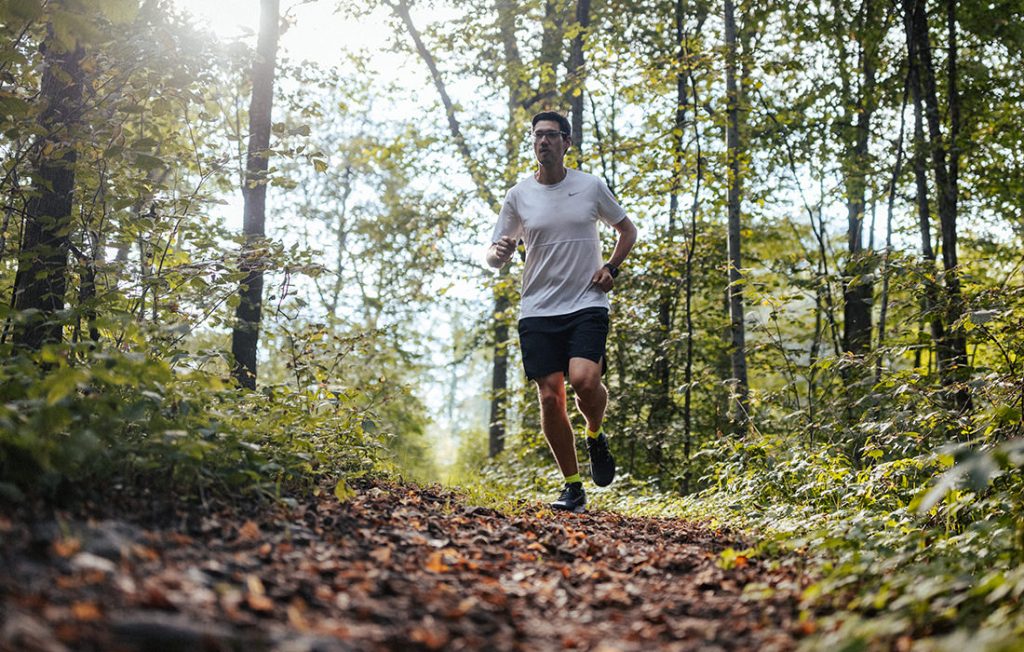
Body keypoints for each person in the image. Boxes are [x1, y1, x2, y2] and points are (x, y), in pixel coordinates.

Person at [486, 111, 637, 513]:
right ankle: (573, 486)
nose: (544, 142)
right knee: (551, 398)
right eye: (538, 136)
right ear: (533, 143)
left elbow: (628, 230)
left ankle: (595, 432)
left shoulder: (589, 187)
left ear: (567, 142)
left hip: (586, 301)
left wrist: (612, 268)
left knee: (585, 382)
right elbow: (494, 253)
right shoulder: (519, 195)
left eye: (552, 135)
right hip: (537, 309)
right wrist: (498, 253)